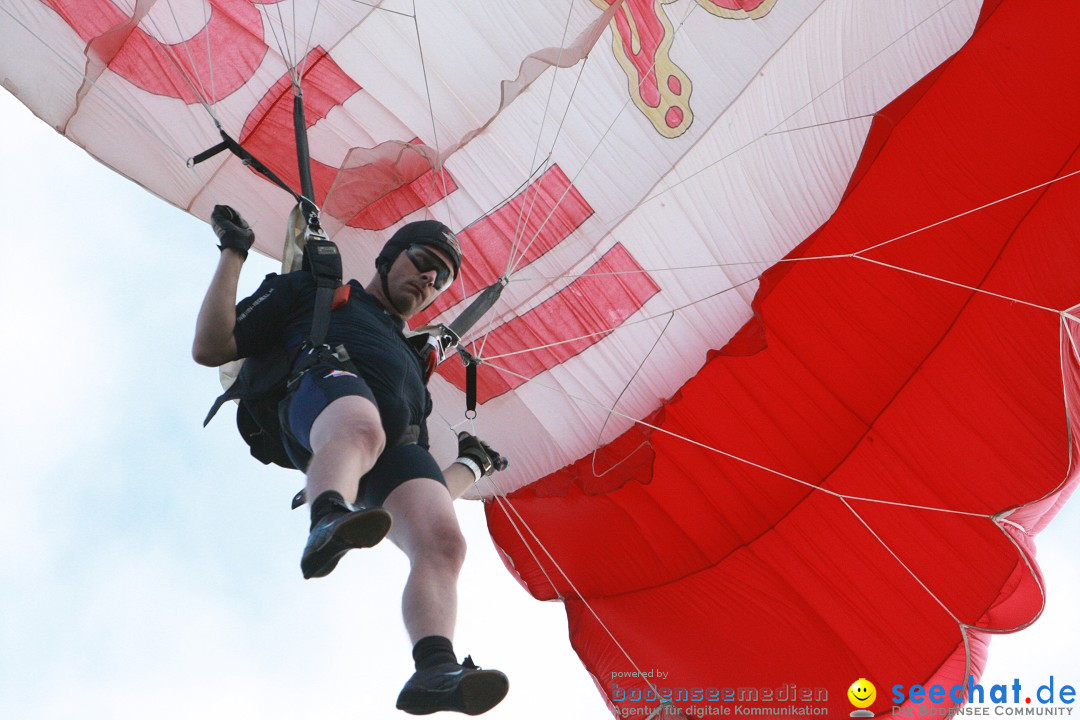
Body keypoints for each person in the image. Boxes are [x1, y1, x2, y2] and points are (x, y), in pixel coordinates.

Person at [192, 205, 509, 715]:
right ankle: (327, 518)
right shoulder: (315, 292)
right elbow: (211, 347)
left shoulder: (411, 365)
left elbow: (415, 494)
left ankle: (433, 668)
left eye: (442, 278)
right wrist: (234, 251)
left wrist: (470, 467)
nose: (430, 278)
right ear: (387, 258)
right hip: (320, 401)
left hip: (381, 444)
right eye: (424, 260)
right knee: (362, 426)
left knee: (444, 542)